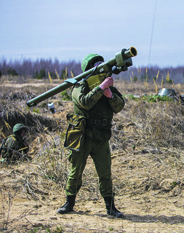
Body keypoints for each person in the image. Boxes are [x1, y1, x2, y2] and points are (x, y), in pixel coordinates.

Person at [57, 53, 125, 218]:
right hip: (82, 136)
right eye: (97, 66)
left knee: (105, 173)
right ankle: (69, 203)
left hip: (102, 137)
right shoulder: (79, 86)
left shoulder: (108, 88)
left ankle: (110, 207)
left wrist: (110, 95)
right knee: (76, 171)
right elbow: (85, 102)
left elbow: (119, 106)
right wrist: (100, 88)